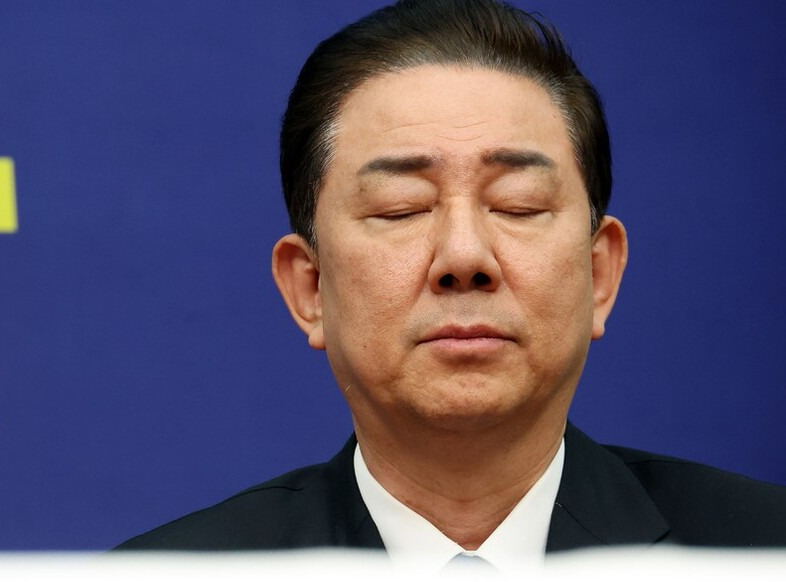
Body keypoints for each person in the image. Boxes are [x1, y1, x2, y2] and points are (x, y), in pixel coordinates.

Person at [116, 0, 786, 570]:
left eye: (518, 204)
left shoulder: (757, 554)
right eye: (401, 209)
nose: (464, 256)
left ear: (600, 273)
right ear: (309, 288)